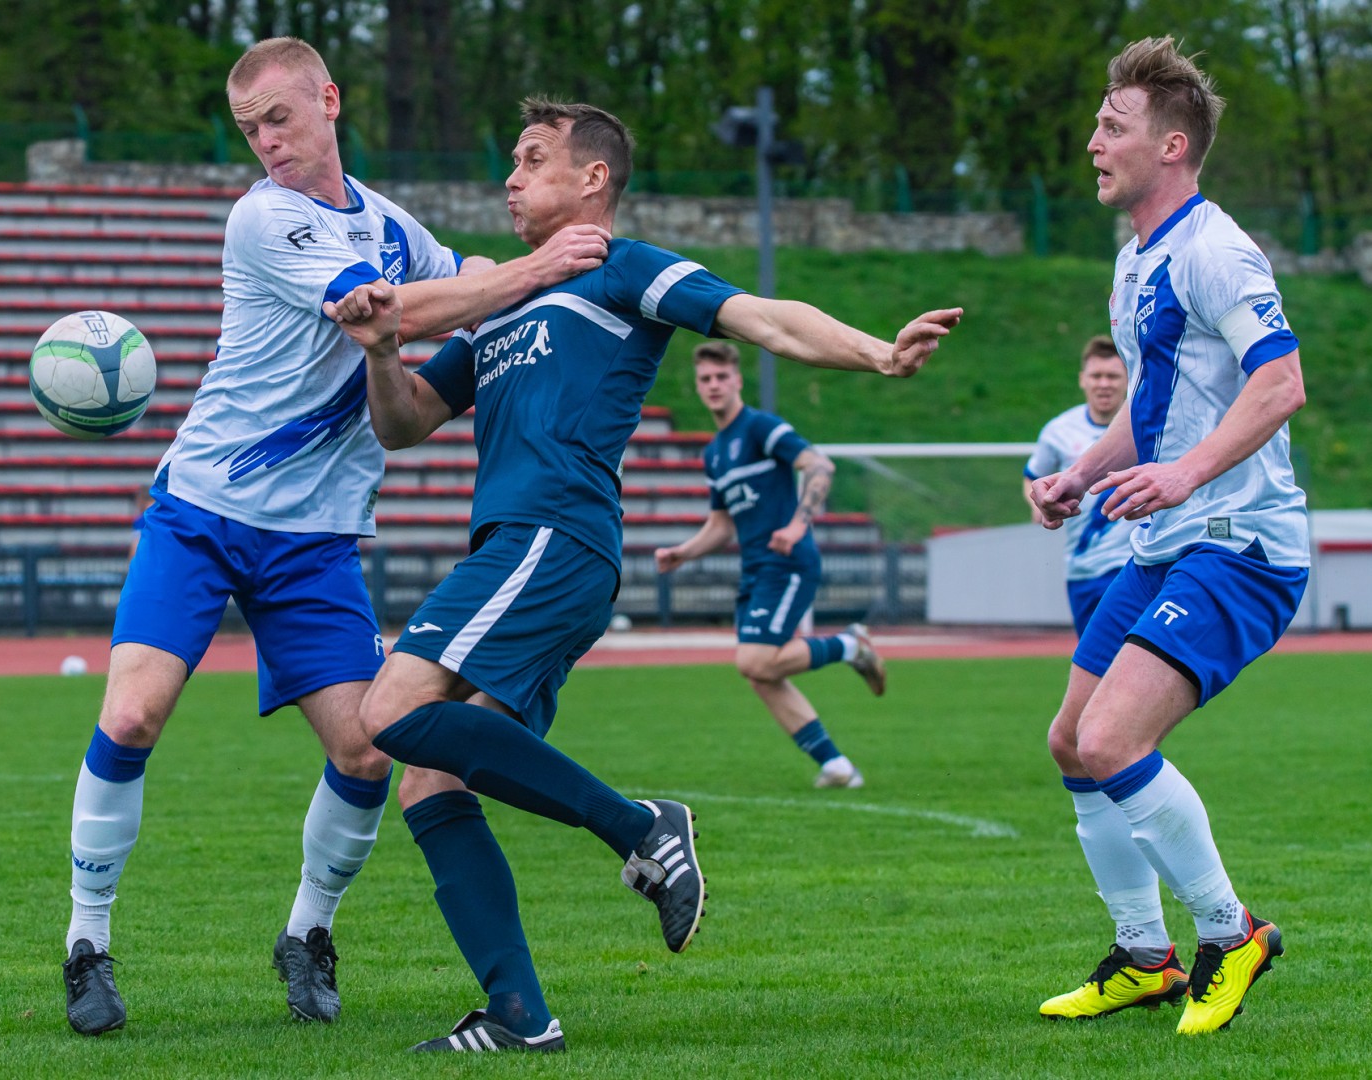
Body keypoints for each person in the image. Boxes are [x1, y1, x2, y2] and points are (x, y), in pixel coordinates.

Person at [327, 97, 960, 1053]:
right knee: (425, 778)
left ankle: (640, 826)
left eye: (531, 158)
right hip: (523, 552)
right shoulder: (503, 293)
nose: (510, 177)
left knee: (384, 714)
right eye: (510, 159)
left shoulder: (621, 268)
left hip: (552, 539)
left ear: (592, 180)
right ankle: (519, 1017)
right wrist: (381, 352)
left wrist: (874, 350)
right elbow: (404, 420)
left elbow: (758, 315)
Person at [59, 39, 608, 1037]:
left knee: (365, 752)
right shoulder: (264, 218)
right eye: (248, 129)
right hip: (203, 513)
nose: (266, 142)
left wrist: (508, 267)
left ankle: (307, 933)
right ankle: (85, 943)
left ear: (328, 100)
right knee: (134, 715)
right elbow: (409, 310)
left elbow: (455, 277)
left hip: (313, 541)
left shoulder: (389, 223)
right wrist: (530, 265)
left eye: (279, 118)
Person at [1030, 36, 1308, 1035]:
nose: (1092, 140)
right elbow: (1148, 403)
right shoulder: (1135, 258)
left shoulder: (1212, 249)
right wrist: (1080, 472)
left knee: (1110, 737)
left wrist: (1184, 474)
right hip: (1165, 544)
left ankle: (1231, 936)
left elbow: (1278, 384)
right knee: (1069, 742)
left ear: (1173, 143)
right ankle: (1144, 959)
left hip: (1238, 544)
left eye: (1114, 124)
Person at [653, 341, 886, 789]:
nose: (714, 385)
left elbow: (819, 466)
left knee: (756, 661)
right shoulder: (714, 453)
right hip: (755, 569)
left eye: (722, 377)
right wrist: (683, 552)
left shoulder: (760, 428)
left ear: (738, 381)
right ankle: (836, 765)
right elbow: (722, 525)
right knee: (760, 673)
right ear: (698, 387)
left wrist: (799, 525)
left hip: (787, 562)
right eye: (706, 379)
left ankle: (850, 646)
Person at [1023, 335, 1134, 635]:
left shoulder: (1146, 426)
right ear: (1082, 380)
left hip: (1138, 561)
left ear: (1128, 379)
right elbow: (1033, 474)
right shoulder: (1059, 430)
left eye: (1113, 376)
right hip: (1085, 566)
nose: (1104, 384)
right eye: (1096, 376)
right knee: (1096, 661)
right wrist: (1039, 504)